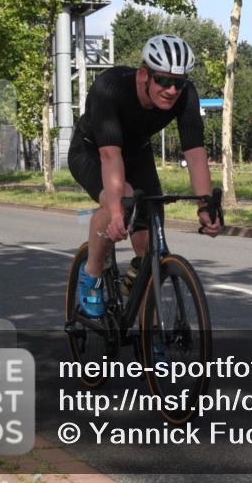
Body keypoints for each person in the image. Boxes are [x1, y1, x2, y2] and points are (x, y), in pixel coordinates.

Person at [67, 34, 220, 318]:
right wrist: (115, 212)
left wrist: (205, 206)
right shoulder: (109, 88)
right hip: (92, 151)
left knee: (151, 247)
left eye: (179, 82)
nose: (172, 89)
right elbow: (110, 156)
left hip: (137, 155)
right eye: (162, 80)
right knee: (122, 199)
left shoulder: (185, 95)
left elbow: (196, 154)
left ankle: (146, 324)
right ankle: (92, 275)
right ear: (143, 75)